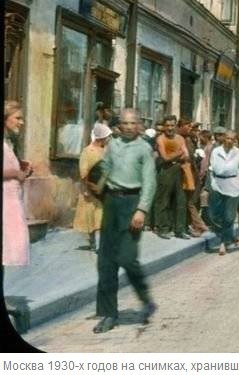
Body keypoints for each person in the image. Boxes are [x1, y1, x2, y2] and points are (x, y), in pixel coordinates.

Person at [94, 108, 157, 333]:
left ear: (139, 125)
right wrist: (98, 178)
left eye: (133, 123)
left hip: (132, 204)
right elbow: (106, 169)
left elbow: (150, 182)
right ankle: (109, 314)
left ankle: (146, 299)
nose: (129, 127)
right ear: (119, 125)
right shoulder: (113, 145)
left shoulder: (144, 149)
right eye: (125, 123)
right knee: (106, 261)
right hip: (112, 203)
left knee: (128, 259)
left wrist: (141, 210)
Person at [73, 122, 112, 252]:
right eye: (107, 137)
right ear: (101, 137)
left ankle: (100, 243)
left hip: (103, 189)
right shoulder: (87, 151)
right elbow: (83, 171)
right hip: (90, 189)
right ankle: (93, 242)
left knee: (100, 216)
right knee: (90, 216)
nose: (109, 140)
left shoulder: (106, 150)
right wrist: (88, 186)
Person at [3, 100, 32, 267]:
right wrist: (15, 173)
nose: (22, 122)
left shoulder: (9, 142)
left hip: (11, 201)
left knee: (7, 251)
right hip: (6, 201)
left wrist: (20, 166)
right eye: (18, 118)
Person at [153, 115, 188, 239]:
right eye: (167, 125)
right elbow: (165, 158)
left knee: (180, 200)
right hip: (165, 170)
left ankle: (180, 229)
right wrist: (179, 153)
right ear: (163, 127)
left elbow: (186, 156)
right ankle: (163, 228)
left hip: (178, 169)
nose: (170, 128)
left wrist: (177, 155)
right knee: (163, 200)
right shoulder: (160, 139)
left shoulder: (180, 138)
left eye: (172, 125)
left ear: (175, 126)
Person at [208, 130, 239, 255]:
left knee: (229, 216)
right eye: (227, 138)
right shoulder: (216, 151)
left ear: (235, 140)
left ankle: (224, 242)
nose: (229, 141)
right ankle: (230, 235)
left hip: (232, 185)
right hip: (217, 184)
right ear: (224, 138)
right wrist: (211, 184)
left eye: (232, 139)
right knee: (214, 215)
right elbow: (211, 169)